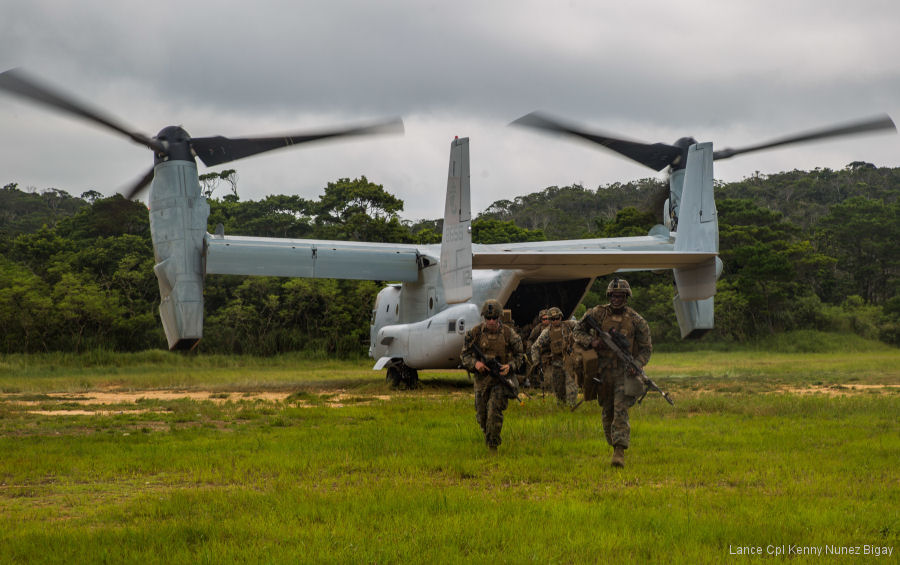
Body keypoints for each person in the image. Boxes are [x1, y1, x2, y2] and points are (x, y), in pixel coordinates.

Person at [574, 278, 652, 468]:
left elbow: (646, 349)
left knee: (620, 410)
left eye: (621, 296)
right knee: (607, 411)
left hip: (623, 374)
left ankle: (619, 452)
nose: (617, 299)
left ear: (627, 297)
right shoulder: (597, 314)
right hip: (601, 373)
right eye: (614, 296)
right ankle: (613, 443)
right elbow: (577, 331)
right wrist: (592, 342)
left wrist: (637, 363)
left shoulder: (636, 320)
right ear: (609, 296)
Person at [460, 299, 525, 452]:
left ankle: (493, 446)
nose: (491, 321)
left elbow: (520, 355)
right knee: (482, 416)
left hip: (500, 382)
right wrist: (475, 364)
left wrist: (510, 366)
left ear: (499, 318)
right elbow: (464, 355)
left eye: (494, 318)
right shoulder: (475, 334)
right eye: (488, 318)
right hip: (482, 381)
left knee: (493, 412)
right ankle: (488, 435)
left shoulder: (510, 334)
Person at [530, 307, 578, 407]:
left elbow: (582, 327)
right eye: (552, 319)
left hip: (570, 360)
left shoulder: (569, 325)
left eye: (557, 318)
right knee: (559, 389)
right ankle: (561, 408)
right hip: (556, 362)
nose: (555, 321)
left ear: (561, 317)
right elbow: (535, 346)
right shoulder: (547, 332)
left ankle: (571, 407)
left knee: (571, 386)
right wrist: (536, 362)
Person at [526, 309, 551, 391]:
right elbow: (531, 339)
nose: (546, 320)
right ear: (541, 320)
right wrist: (530, 350)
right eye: (544, 319)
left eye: (547, 318)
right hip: (540, 352)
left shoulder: (553, 327)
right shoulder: (538, 328)